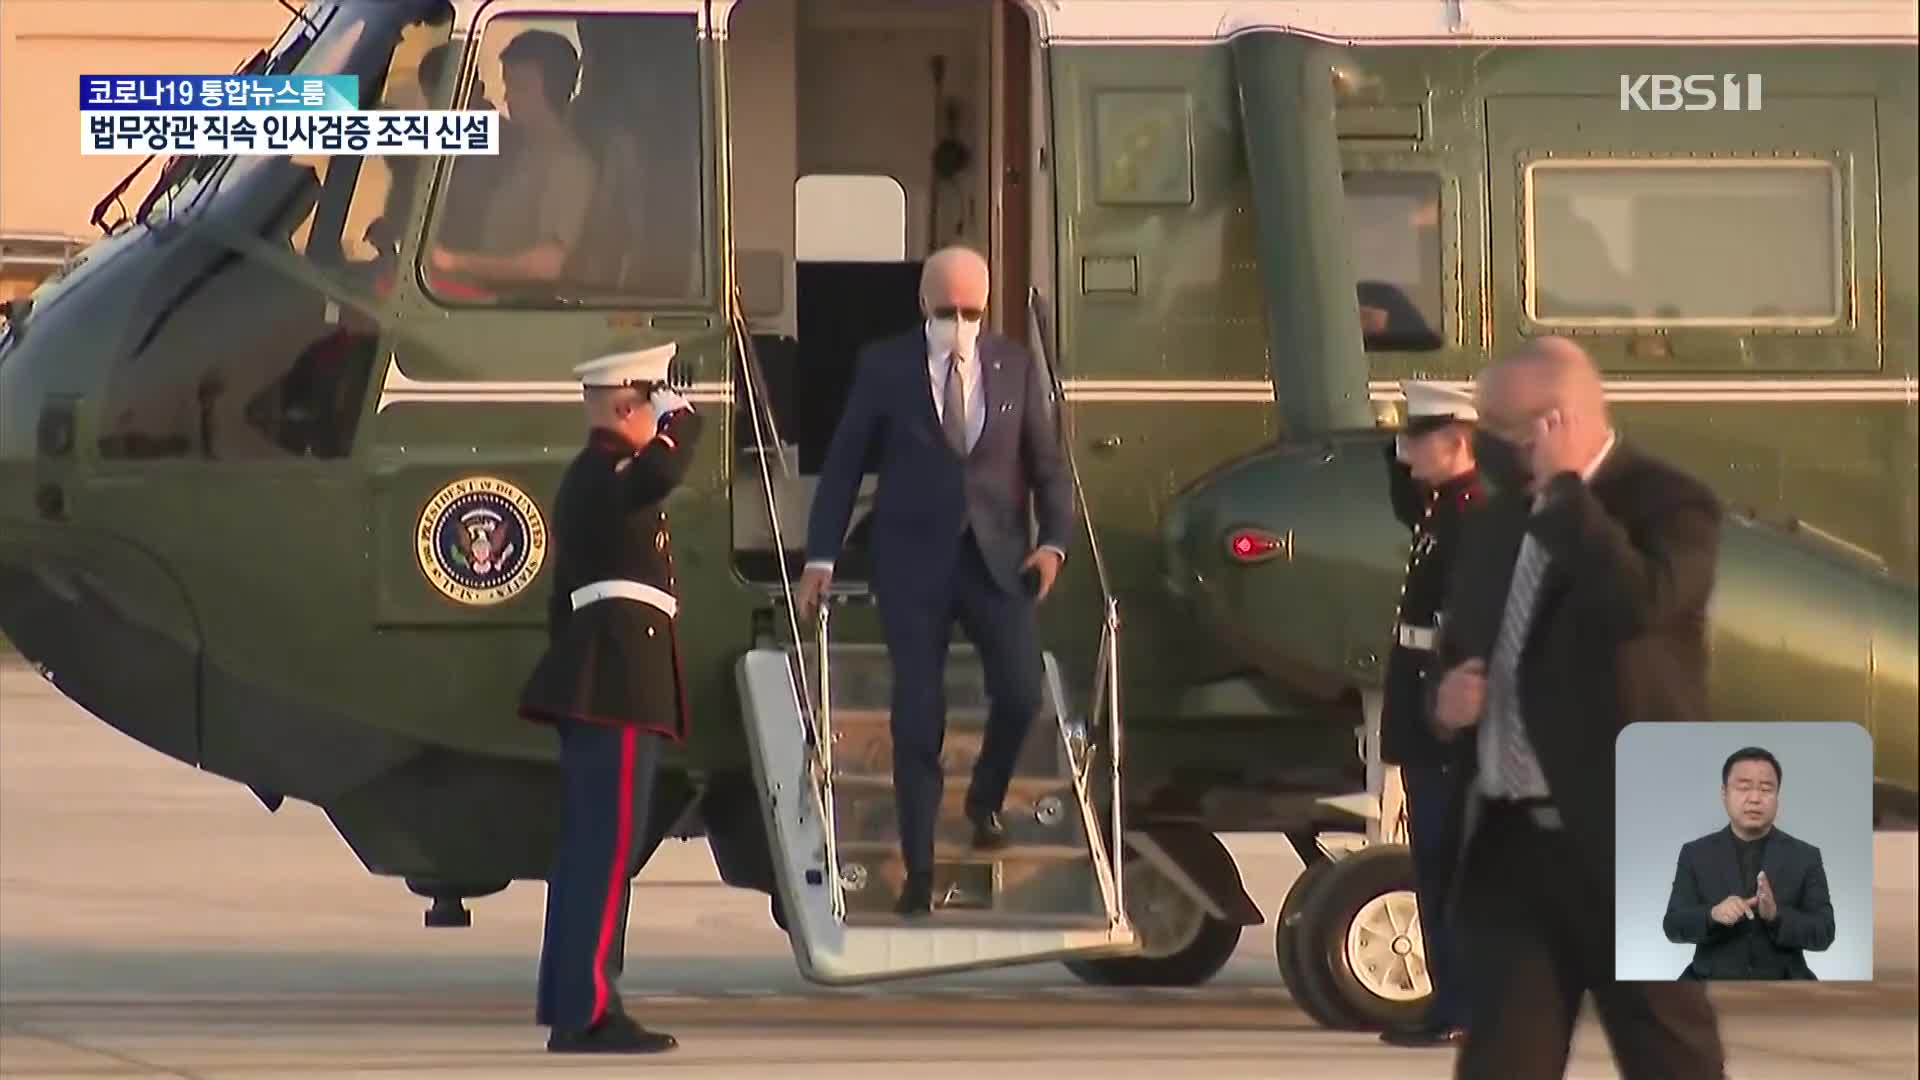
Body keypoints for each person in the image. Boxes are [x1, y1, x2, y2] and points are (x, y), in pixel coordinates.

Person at [1429, 336, 1728, 1079]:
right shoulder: (1496, 522)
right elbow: (1462, 644)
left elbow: (1643, 602)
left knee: (1668, 1052)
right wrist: (1447, 703)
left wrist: (1567, 496)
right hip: (1513, 848)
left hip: (1631, 837)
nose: (1482, 448)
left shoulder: (1668, 502)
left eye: (1496, 430)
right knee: (1503, 1059)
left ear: (1554, 422)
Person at [793, 244, 1073, 916]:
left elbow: (1047, 465)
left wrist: (1054, 543)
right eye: (947, 309)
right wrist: (821, 558)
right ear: (924, 304)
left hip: (996, 560)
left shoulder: (1013, 365)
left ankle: (984, 798)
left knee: (1021, 693)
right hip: (912, 564)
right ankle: (919, 873)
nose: (959, 321)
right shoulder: (884, 366)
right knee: (918, 720)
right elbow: (843, 467)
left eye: (970, 310)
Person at [516, 343, 700, 1054]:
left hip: (606, 681)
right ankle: (586, 1011)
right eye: (654, 400)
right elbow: (664, 467)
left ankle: (576, 1001)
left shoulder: (599, 476)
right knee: (603, 851)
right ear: (632, 404)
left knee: (596, 852)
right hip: (615, 687)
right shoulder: (606, 472)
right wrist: (684, 418)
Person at [1377, 380, 1481, 1048]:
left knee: (1449, 860)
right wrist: (1393, 434)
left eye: (1419, 439)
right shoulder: (1444, 506)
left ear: (1459, 442)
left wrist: (1451, 716)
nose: (1407, 452)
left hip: (1448, 709)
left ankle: (1462, 1004)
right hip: (1424, 699)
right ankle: (1455, 1000)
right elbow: (1400, 490)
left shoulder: (1475, 514)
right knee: (1436, 861)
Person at [428, 29, 594, 286]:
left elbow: (549, 264)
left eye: (519, 86)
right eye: (508, 85)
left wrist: (454, 262)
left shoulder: (568, 165)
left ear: (553, 88)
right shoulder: (519, 145)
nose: (507, 97)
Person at [1662, 746, 1835, 980]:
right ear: (1724, 793)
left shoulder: (1806, 856)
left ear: (1777, 796)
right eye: (1743, 787)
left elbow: (1824, 933)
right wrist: (1712, 915)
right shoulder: (1695, 853)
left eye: (1766, 789)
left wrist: (1776, 916)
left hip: (1785, 984)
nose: (1754, 798)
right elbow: (1673, 925)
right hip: (1709, 981)